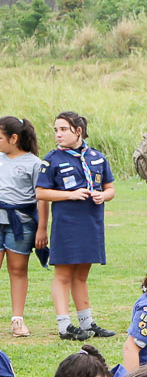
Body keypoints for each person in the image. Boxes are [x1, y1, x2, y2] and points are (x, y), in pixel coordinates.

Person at [36, 111, 116, 342]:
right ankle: (64, 325)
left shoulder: (97, 157)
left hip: (91, 224)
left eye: (63, 129)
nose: (58, 134)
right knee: (63, 274)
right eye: (56, 130)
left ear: (78, 131)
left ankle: (86, 322)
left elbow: (110, 187)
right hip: (66, 225)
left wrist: (105, 196)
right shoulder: (52, 159)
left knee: (82, 274)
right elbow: (41, 192)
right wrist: (69, 195)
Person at [0, 117, 39, 338]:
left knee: (17, 270)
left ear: (14, 139)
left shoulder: (33, 163)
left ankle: (18, 319)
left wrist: (41, 228)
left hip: (20, 223)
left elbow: (40, 198)